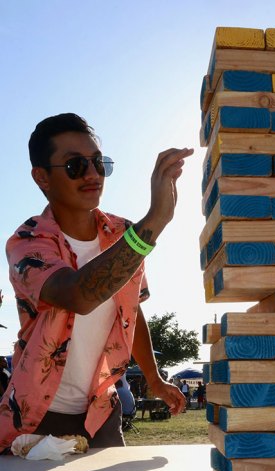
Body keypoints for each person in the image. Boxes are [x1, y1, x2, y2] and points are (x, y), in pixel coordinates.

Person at [0, 113, 192, 452]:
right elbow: (79, 295)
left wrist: (154, 378)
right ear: (41, 177)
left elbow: (130, 313)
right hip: (38, 415)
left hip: (102, 409)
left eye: (98, 163)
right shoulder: (27, 243)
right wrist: (154, 222)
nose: (92, 174)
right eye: (75, 166)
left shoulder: (124, 234)